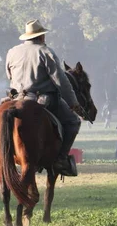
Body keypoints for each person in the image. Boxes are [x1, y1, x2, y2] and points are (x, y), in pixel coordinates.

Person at [6, 19, 82, 176]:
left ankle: (5, 156)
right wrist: (73, 102)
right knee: (73, 122)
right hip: (42, 99)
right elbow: (60, 81)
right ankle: (60, 159)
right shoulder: (45, 52)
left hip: (17, 98)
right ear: (41, 37)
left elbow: (9, 75)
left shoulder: (12, 51)